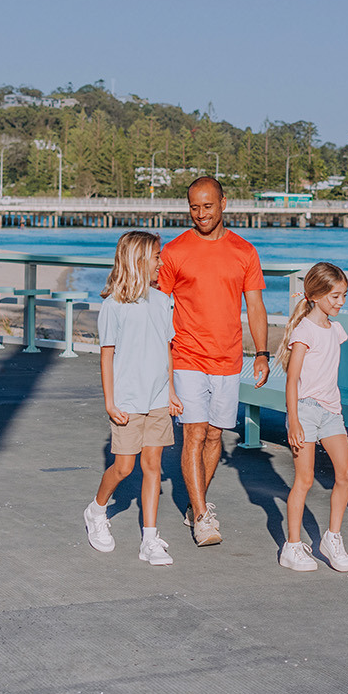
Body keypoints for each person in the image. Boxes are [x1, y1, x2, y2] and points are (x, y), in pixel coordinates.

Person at [157, 176, 269, 547]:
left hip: (229, 358)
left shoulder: (244, 252)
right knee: (194, 432)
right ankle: (203, 516)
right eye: (194, 207)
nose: (201, 214)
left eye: (207, 206)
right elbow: (157, 309)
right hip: (187, 355)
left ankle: (195, 503)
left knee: (215, 435)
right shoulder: (174, 252)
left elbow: (255, 306)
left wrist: (263, 352)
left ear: (224, 203)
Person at [84, 231, 182, 565]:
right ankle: (97, 511)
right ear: (139, 260)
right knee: (124, 467)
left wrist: (170, 391)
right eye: (157, 256)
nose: (161, 262)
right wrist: (110, 402)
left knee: (153, 465)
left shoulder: (161, 300)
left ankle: (150, 539)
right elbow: (106, 356)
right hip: (126, 400)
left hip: (157, 399)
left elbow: (166, 348)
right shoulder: (113, 306)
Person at [276, 262, 348, 573]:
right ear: (317, 295)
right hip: (305, 411)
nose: (341, 302)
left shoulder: (336, 330)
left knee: (346, 473)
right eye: (335, 296)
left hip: (331, 411)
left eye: (344, 296)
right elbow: (292, 379)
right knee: (305, 479)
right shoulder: (304, 330)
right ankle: (292, 546)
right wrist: (293, 420)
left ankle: (332, 538)